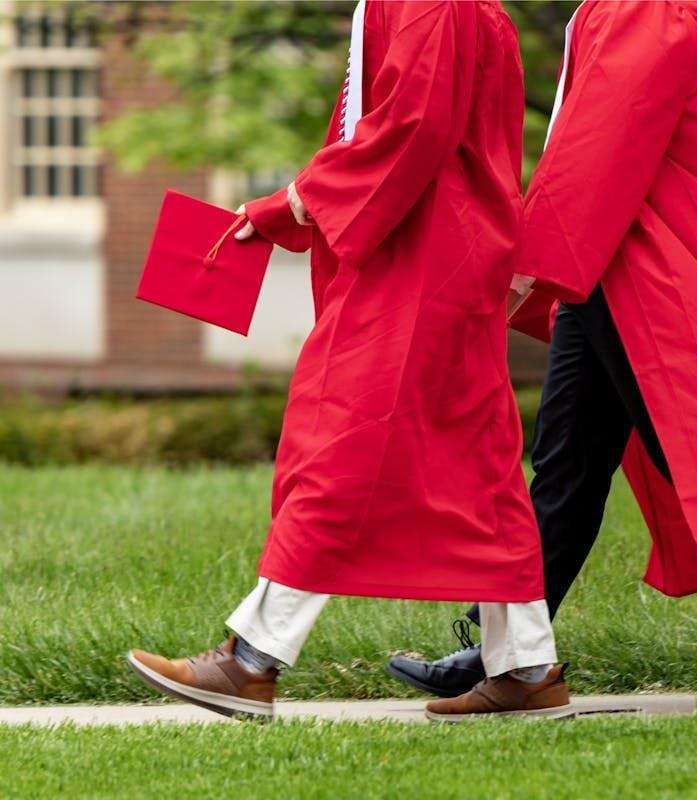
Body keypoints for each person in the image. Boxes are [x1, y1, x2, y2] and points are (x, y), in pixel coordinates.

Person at [388, 0, 697, 712]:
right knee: (566, 466)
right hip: (614, 266)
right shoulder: (667, 13)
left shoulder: (649, 10)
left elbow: (599, 144)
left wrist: (526, 262)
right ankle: (510, 656)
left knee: (691, 457)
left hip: (643, 267)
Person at [127, 0, 572, 722]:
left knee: (339, 439)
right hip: (453, 246)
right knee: (479, 461)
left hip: (423, 253)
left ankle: (251, 661)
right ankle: (527, 666)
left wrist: (300, 200)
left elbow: (411, 126)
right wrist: (292, 203)